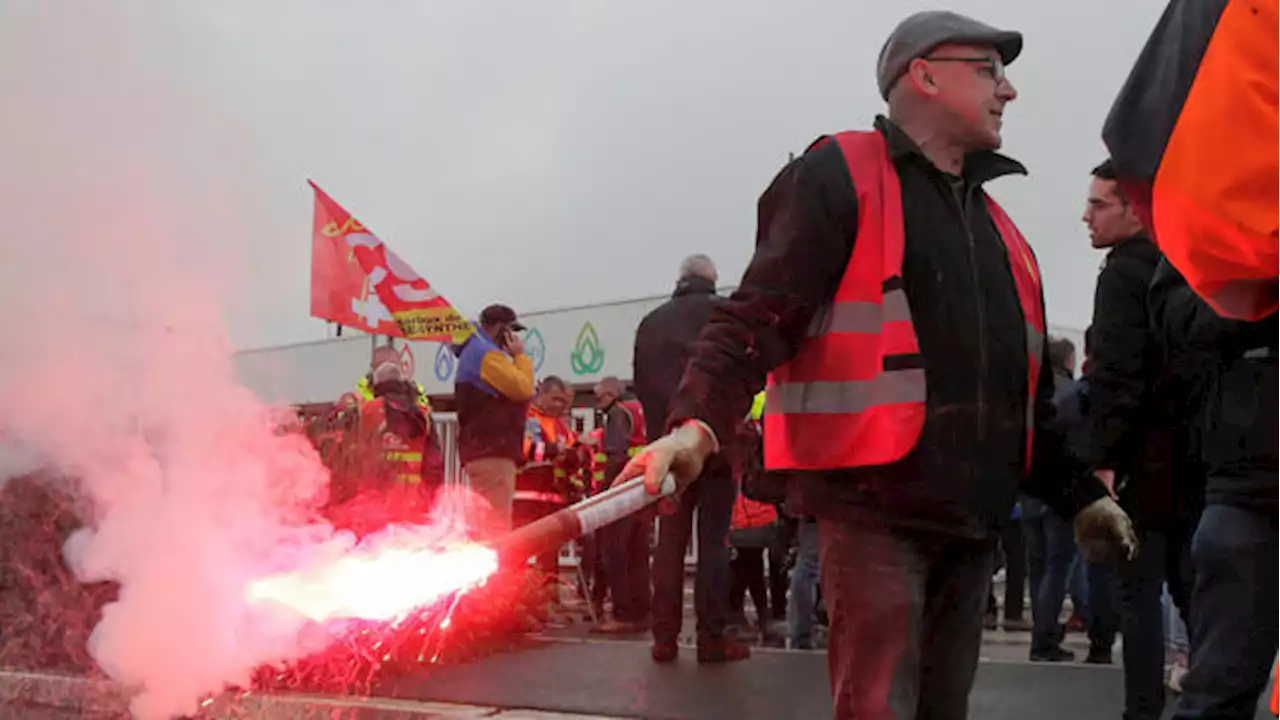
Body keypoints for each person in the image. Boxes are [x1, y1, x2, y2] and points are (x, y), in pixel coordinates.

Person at [618, 11, 1136, 718]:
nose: (1009, 91)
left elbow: (1025, 406)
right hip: (873, 511)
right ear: (922, 75)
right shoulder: (840, 175)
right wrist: (696, 425)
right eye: (988, 70)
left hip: (970, 523)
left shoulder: (1006, 239)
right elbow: (759, 314)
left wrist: (1082, 496)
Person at [1083, 158, 1192, 718]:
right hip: (1193, 460)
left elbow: (1116, 375)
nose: (1085, 216)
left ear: (1134, 210)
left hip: (1141, 464)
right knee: (1196, 595)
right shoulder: (1182, 270)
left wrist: (1103, 460)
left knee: (1138, 594)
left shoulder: (1122, 275)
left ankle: (1142, 709)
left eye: (1099, 204)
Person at [633, 255, 748, 663]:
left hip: (666, 450)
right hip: (713, 444)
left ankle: (663, 638)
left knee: (669, 544)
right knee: (714, 543)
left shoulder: (650, 324)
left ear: (680, 279)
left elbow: (643, 388)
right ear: (712, 281)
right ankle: (711, 637)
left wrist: (662, 436)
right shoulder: (725, 315)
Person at [453, 304, 536, 536]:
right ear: (497, 327)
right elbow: (522, 389)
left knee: (486, 522)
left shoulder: (477, 351)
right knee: (496, 526)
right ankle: (498, 572)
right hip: (493, 451)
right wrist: (520, 357)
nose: (513, 337)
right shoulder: (485, 353)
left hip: (484, 450)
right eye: (510, 330)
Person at [591, 376, 651, 634]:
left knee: (615, 553)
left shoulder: (618, 413)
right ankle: (641, 611)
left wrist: (605, 493)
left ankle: (622, 613)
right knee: (638, 554)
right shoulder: (642, 410)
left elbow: (616, 455)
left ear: (612, 393)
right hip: (644, 490)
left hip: (622, 492)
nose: (597, 404)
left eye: (599, 397)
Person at [516, 375, 579, 621]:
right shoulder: (527, 418)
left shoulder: (561, 426)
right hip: (525, 497)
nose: (558, 405)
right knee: (522, 551)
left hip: (553, 498)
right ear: (541, 394)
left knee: (550, 555)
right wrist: (557, 451)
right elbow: (525, 450)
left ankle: (549, 601)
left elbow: (573, 453)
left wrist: (577, 455)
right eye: (554, 399)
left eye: (562, 401)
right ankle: (522, 603)